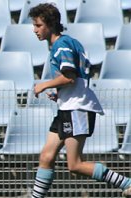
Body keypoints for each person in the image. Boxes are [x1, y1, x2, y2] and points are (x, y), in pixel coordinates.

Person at [29, 3, 131, 198]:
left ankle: (127, 183)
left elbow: (70, 76)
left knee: (74, 164)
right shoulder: (68, 43)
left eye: (39, 25)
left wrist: (45, 85)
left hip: (77, 108)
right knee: (46, 156)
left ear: (50, 24)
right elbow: (76, 78)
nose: (35, 30)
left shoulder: (61, 45)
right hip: (68, 106)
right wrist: (59, 93)